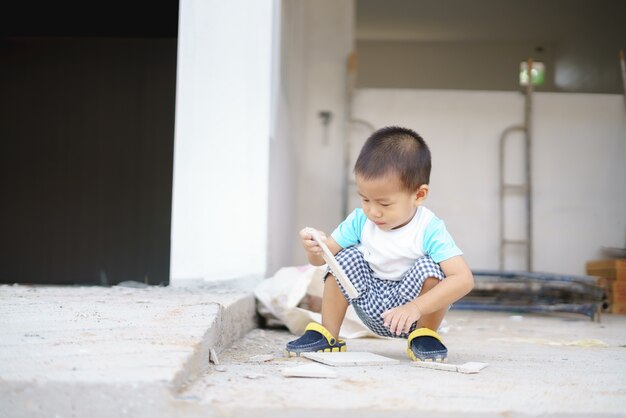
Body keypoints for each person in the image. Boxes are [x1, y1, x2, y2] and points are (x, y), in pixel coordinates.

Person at [286, 126, 474, 362]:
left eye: (384, 204)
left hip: (413, 310)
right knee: (345, 258)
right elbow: (321, 260)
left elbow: (463, 279)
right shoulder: (359, 221)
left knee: (433, 268)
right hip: (369, 302)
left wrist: (415, 308)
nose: (373, 211)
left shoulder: (429, 228)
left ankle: (424, 335)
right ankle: (329, 336)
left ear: (419, 195)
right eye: (365, 199)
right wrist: (314, 249)